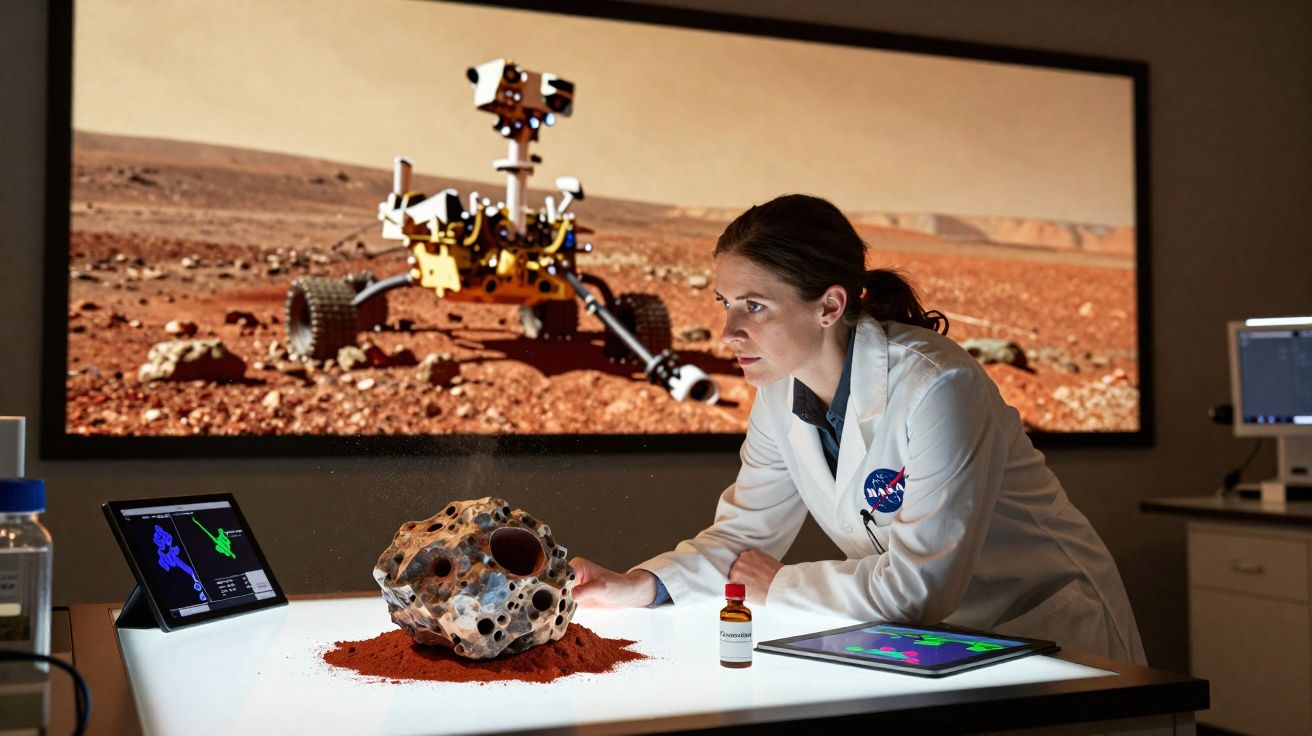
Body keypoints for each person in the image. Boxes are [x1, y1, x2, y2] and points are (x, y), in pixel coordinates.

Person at [569, 194, 1146, 664]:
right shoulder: (779, 392)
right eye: (725, 303)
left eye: (754, 306)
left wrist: (781, 588)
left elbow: (919, 587)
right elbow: (744, 541)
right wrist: (638, 585)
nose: (728, 331)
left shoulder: (938, 386)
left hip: (1049, 627)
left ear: (828, 306)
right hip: (936, 642)